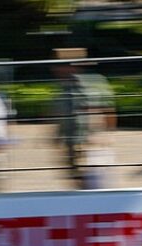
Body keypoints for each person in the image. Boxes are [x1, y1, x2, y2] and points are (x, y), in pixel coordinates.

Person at [51, 48, 115, 188]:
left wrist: (107, 134)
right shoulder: (62, 88)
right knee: (77, 183)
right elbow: (60, 114)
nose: (56, 69)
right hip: (71, 144)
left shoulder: (94, 83)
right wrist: (56, 137)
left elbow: (108, 110)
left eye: (60, 65)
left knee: (97, 183)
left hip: (92, 143)